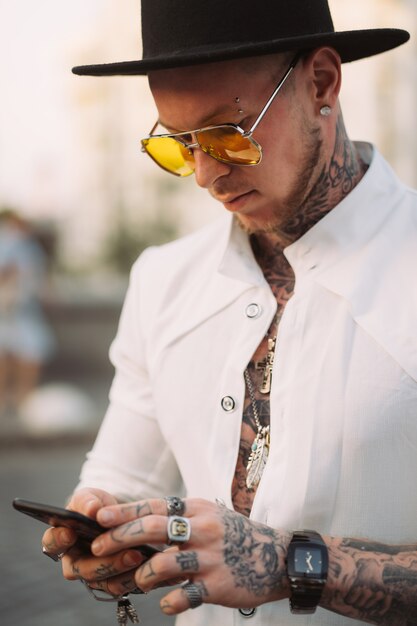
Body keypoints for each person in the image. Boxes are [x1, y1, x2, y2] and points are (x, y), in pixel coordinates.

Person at [41, 1, 417, 624]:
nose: (205, 175)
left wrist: (287, 565)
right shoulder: (161, 280)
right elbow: (122, 473)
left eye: (226, 135)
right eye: (179, 145)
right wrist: (103, 526)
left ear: (321, 82)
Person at [0, 209, 54, 416]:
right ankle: (9, 399)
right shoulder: (9, 243)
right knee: (9, 356)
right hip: (9, 311)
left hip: (24, 310)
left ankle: (22, 399)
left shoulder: (30, 247)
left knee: (29, 354)